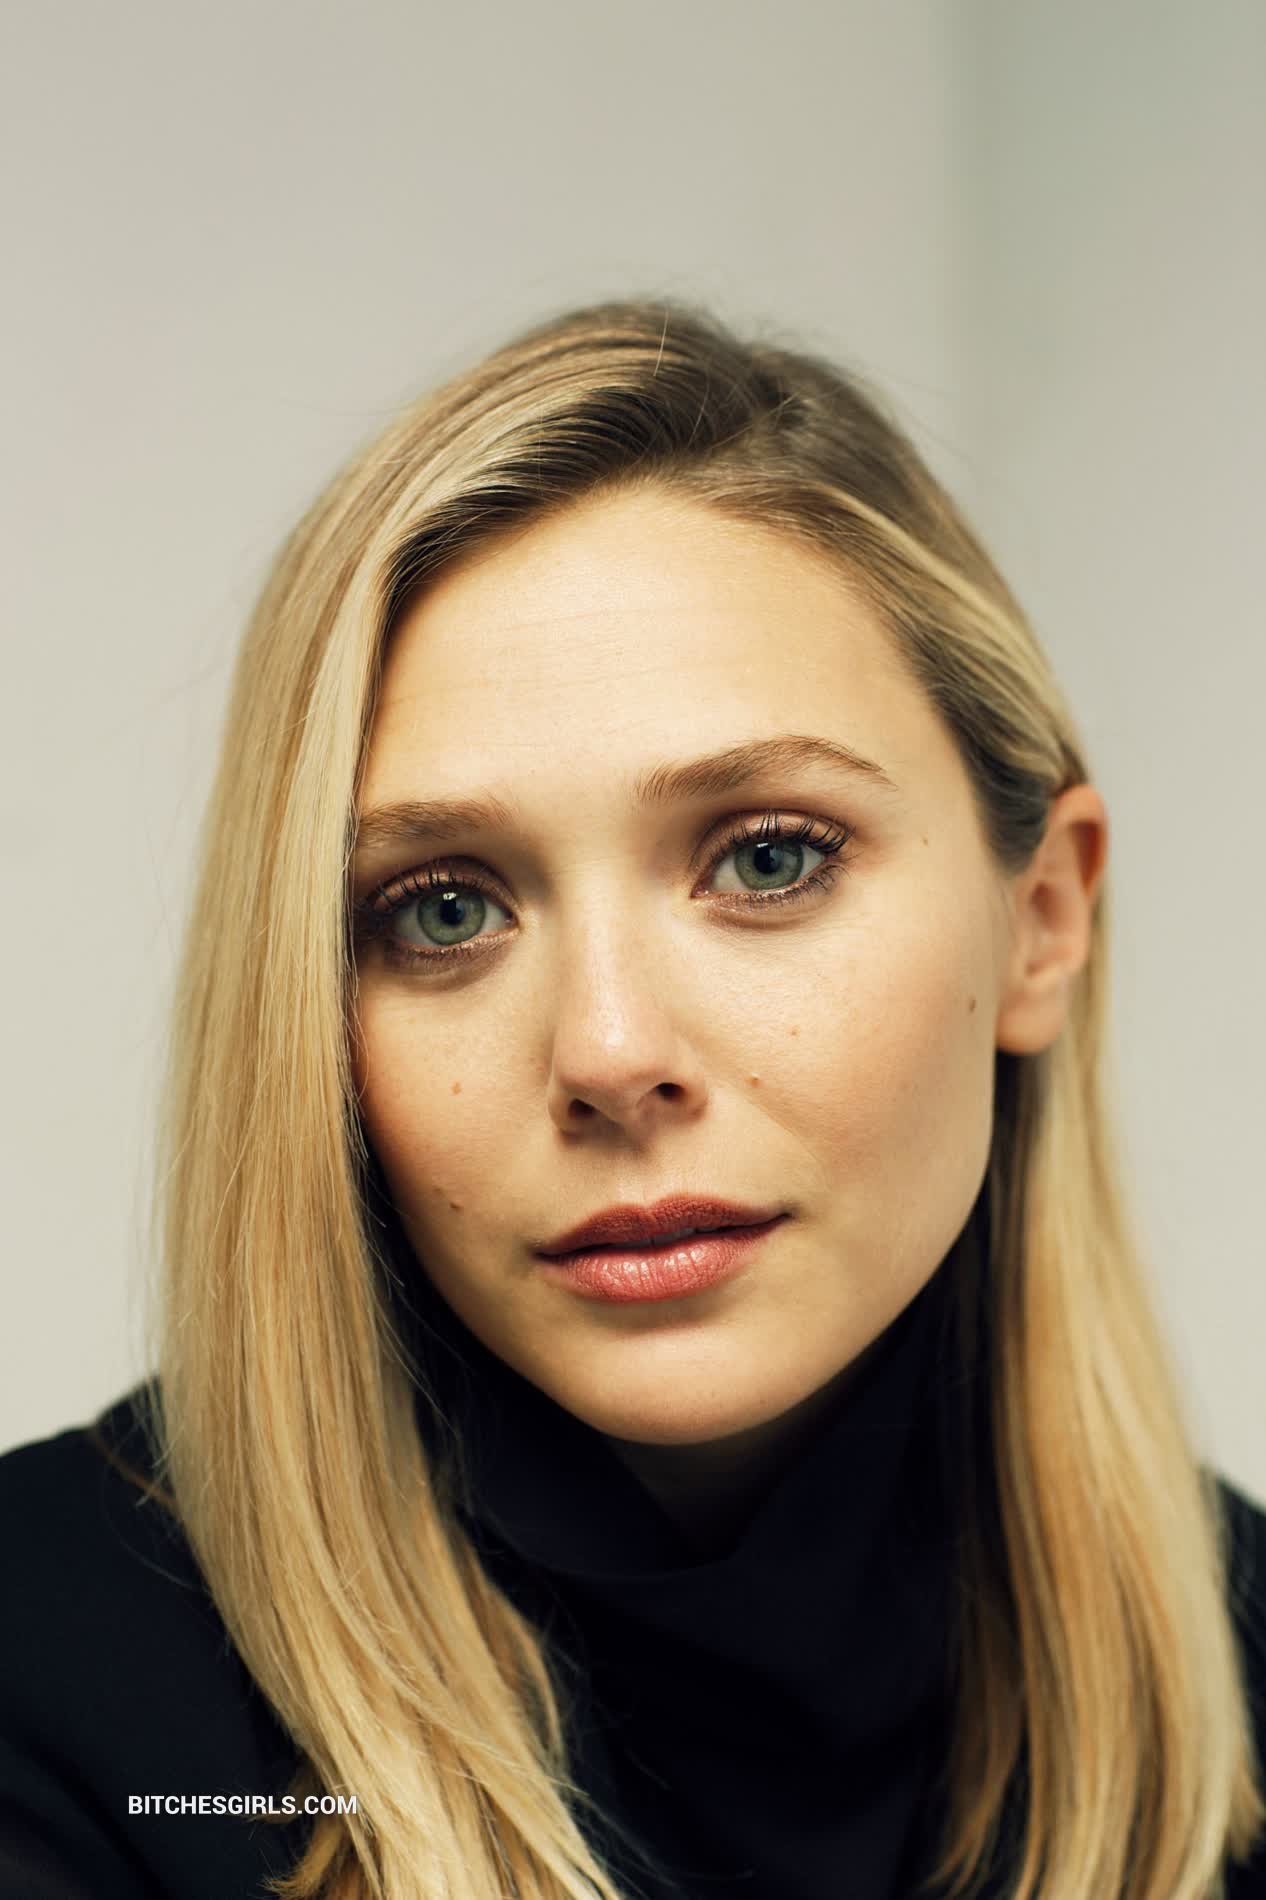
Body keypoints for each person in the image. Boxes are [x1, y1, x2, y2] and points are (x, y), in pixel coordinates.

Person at [1, 298, 1263, 1900]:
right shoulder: (43, 1694)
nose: (605, 1051)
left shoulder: (1245, 1665)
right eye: (442, 908)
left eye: (768, 857)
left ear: (1041, 919)